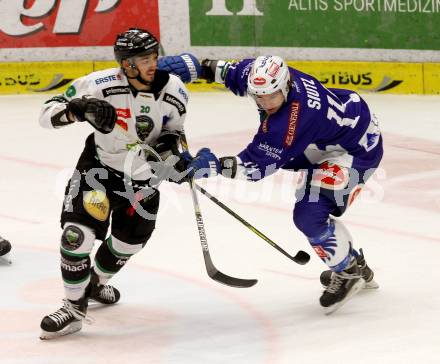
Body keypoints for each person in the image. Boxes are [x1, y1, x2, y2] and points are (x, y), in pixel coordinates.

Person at [182, 56, 382, 314]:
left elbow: (255, 167)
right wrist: (194, 67)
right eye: (259, 97)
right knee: (308, 208)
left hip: (354, 149)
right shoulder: (269, 76)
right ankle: (353, 262)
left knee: (309, 216)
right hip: (328, 137)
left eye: (271, 97)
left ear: (286, 87)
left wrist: (214, 166)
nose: (265, 103)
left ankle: (348, 272)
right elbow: (229, 71)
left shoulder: (291, 122)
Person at [38, 27, 199, 339]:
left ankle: (95, 284)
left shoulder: (176, 91)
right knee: (75, 237)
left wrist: (168, 151)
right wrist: (77, 110)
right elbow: (46, 114)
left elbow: (175, 130)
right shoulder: (98, 84)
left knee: (127, 244)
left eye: (154, 56)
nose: (153, 64)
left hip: (142, 182)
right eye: (143, 59)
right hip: (98, 171)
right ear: (126, 64)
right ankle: (73, 310)